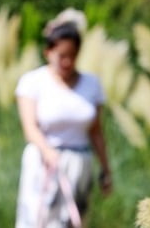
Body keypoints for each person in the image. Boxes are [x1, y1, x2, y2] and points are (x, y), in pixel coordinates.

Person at [15, 21, 112, 228]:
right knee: (38, 221)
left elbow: (96, 132)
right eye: (62, 56)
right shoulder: (32, 82)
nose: (67, 62)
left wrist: (105, 169)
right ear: (47, 52)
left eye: (73, 55)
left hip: (79, 164)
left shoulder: (92, 84)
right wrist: (47, 151)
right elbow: (30, 128)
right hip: (43, 163)